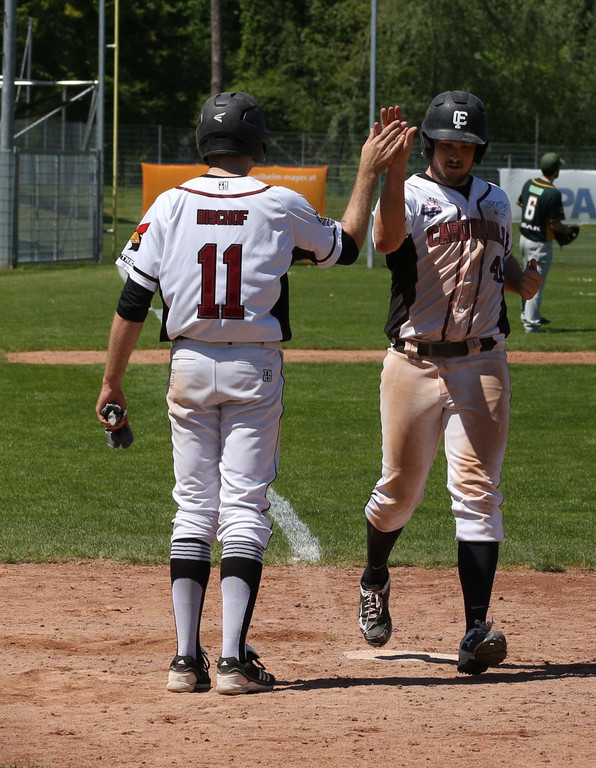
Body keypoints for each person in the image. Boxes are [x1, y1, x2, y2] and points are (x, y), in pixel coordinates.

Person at [96, 91, 411, 695]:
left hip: (189, 363)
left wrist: (112, 381)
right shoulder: (279, 203)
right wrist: (368, 172)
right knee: (244, 507)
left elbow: (133, 300)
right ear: (259, 144)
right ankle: (233, 661)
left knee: (193, 507)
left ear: (202, 142)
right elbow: (346, 246)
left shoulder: (168, 204)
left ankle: (185, 661)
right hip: (254, 367)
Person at [357, 91, 542, 675]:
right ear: (431, 145)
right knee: (398, 492)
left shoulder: (497, 201)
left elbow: (495, 259)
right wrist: (390, 173)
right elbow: (386, 241)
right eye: (446, 142)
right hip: (413, 363)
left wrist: (520, 280)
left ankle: (476, 629)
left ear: (478, 149)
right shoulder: (410, 193)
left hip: (482, 362)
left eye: (466, 144)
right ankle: (375, 577)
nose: (455, 152)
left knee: (479, 490)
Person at [517, 152, 576, 332]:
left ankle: (527, 315)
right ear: (556, 170)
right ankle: (532, 324)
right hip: (540, 243)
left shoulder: (530, 184)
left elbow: (523, 205)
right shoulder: (553, 193)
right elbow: (555, 225)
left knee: (527, 279)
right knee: (536, 284)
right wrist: (568, 230)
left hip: (525, 238)